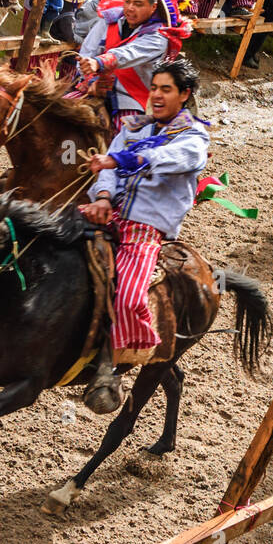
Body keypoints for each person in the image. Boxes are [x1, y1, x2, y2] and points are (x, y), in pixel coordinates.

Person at [77, 56, 209, 412]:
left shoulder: (195, 138)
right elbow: (108, 166)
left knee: (130, 296)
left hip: (145, 229)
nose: (157, 95)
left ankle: (111, 368)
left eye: (166, 89)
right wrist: (103, 196)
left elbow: (164, 157)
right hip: (108, 214)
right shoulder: (134, 126)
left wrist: (120, 161)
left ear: (185, 94)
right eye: (153, 88)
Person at [76, 0, 193, 127]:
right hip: (93, 87)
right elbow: (87, 51)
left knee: (124, 140)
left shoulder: (158, 37)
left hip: (128, 97)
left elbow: (128, 53)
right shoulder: (109, 20)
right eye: (127, 1)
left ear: (153, 7)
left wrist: (98, 62)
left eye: (138, 4)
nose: (130, 8)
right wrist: (91, 77)